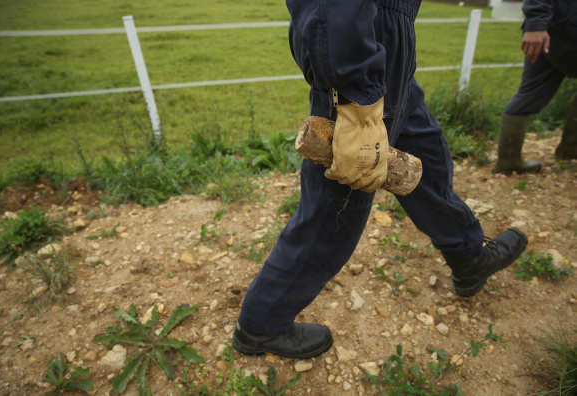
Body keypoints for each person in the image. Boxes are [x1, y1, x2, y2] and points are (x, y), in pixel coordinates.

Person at [232, 0, 528, 360]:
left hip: (382, 39)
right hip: (358, 35)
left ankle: (467, 255)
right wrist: (356, 95)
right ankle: (262, 323)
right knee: (337, 204)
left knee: (425, 155)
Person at [494, 0, 577, 173]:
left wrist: (537, 23)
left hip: (551, 26)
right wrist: (537, 22)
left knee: (529, 94)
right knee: (529, 92)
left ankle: (508, 161)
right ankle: (571, 150)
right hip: (564, 28)